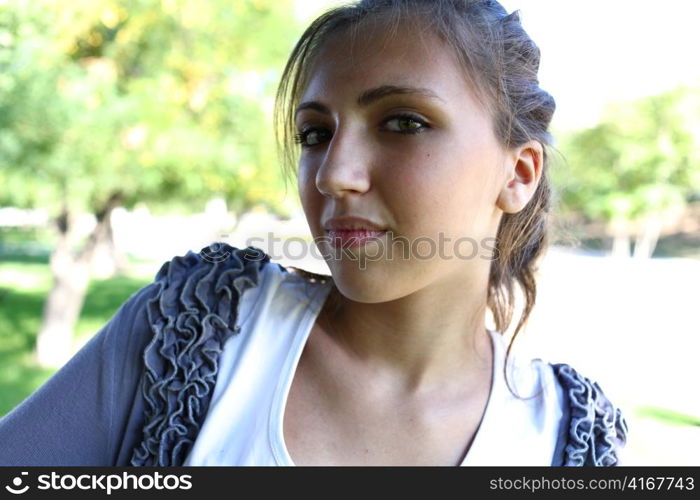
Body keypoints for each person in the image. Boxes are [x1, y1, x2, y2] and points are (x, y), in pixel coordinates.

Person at [0, 0, 627, 466]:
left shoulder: (567, 438)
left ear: (517, 173)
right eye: (314, 134)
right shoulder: (197, 335)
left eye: (403, 123)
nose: (333, 175)